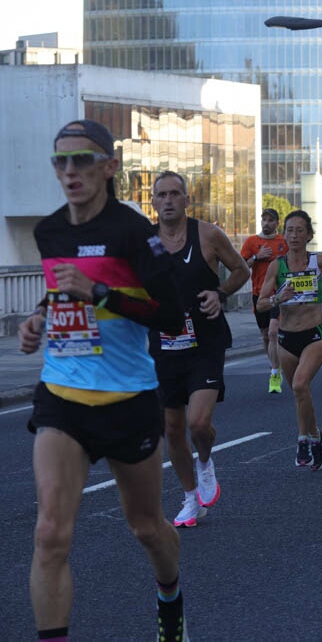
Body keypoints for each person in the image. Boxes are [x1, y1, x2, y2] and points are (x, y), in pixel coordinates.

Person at [18, 120, 189, 640]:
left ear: (109, 167)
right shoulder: (49, 231)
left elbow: (169, 315)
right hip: (62, 395)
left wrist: (101, 294)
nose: (70, 171)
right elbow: (59, 292)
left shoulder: (134, 233)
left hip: (127, 398)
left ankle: (170, 599)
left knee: (146, 527)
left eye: (83, 160)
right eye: (60, 161)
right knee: (50, 534)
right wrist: (39, 318)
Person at [149, 171, 249, 528]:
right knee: (172, 429)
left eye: (176, 193)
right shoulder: (145, 243)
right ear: (154, 200)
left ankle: (205, 461)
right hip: (163, 345)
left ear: (187, 200)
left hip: (205, 340)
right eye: (162, 194)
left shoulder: (207, 235)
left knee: (198, 422)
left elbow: (241, 270)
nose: (169, 200)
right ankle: (191, 498)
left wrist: (220, 294)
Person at [258, 211, 322, 471]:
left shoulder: (317, 261)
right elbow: (261, 303)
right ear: (284, 234)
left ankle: (302, 438)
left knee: (300, 385)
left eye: (300, 230)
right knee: (299, 393)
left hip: (314, 334)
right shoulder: (277, 266)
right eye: (289, 230)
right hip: (287, 339)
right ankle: (318, 437)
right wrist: (278, 298)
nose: (294, 235)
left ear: (309, 235)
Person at [241, 208, 289, 393]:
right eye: (264, 220)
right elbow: (240, 266)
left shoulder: (283, 242)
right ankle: (274, 364)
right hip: (259, 294)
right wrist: (256, 257)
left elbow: (292, 261)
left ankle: (275, 373)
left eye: (270, 220)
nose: (266, 223)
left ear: (277, 223)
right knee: (265, 336)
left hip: (279, 294)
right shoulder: (252, 242)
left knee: (273, 332)